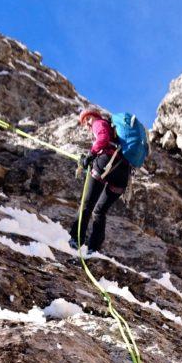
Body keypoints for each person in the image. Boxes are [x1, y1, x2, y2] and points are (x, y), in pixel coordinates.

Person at [69, 108, 131, 254]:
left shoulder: (99, 123)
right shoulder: (115, 134)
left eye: (88, 119)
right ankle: (93, 249)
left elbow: (102, 139)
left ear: (94, 117)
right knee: (99, 211)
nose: (87, 124)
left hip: (105, 164)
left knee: (87, 203)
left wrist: (90, 155)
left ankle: (75, 240)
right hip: (122, 174)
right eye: (85, 122)